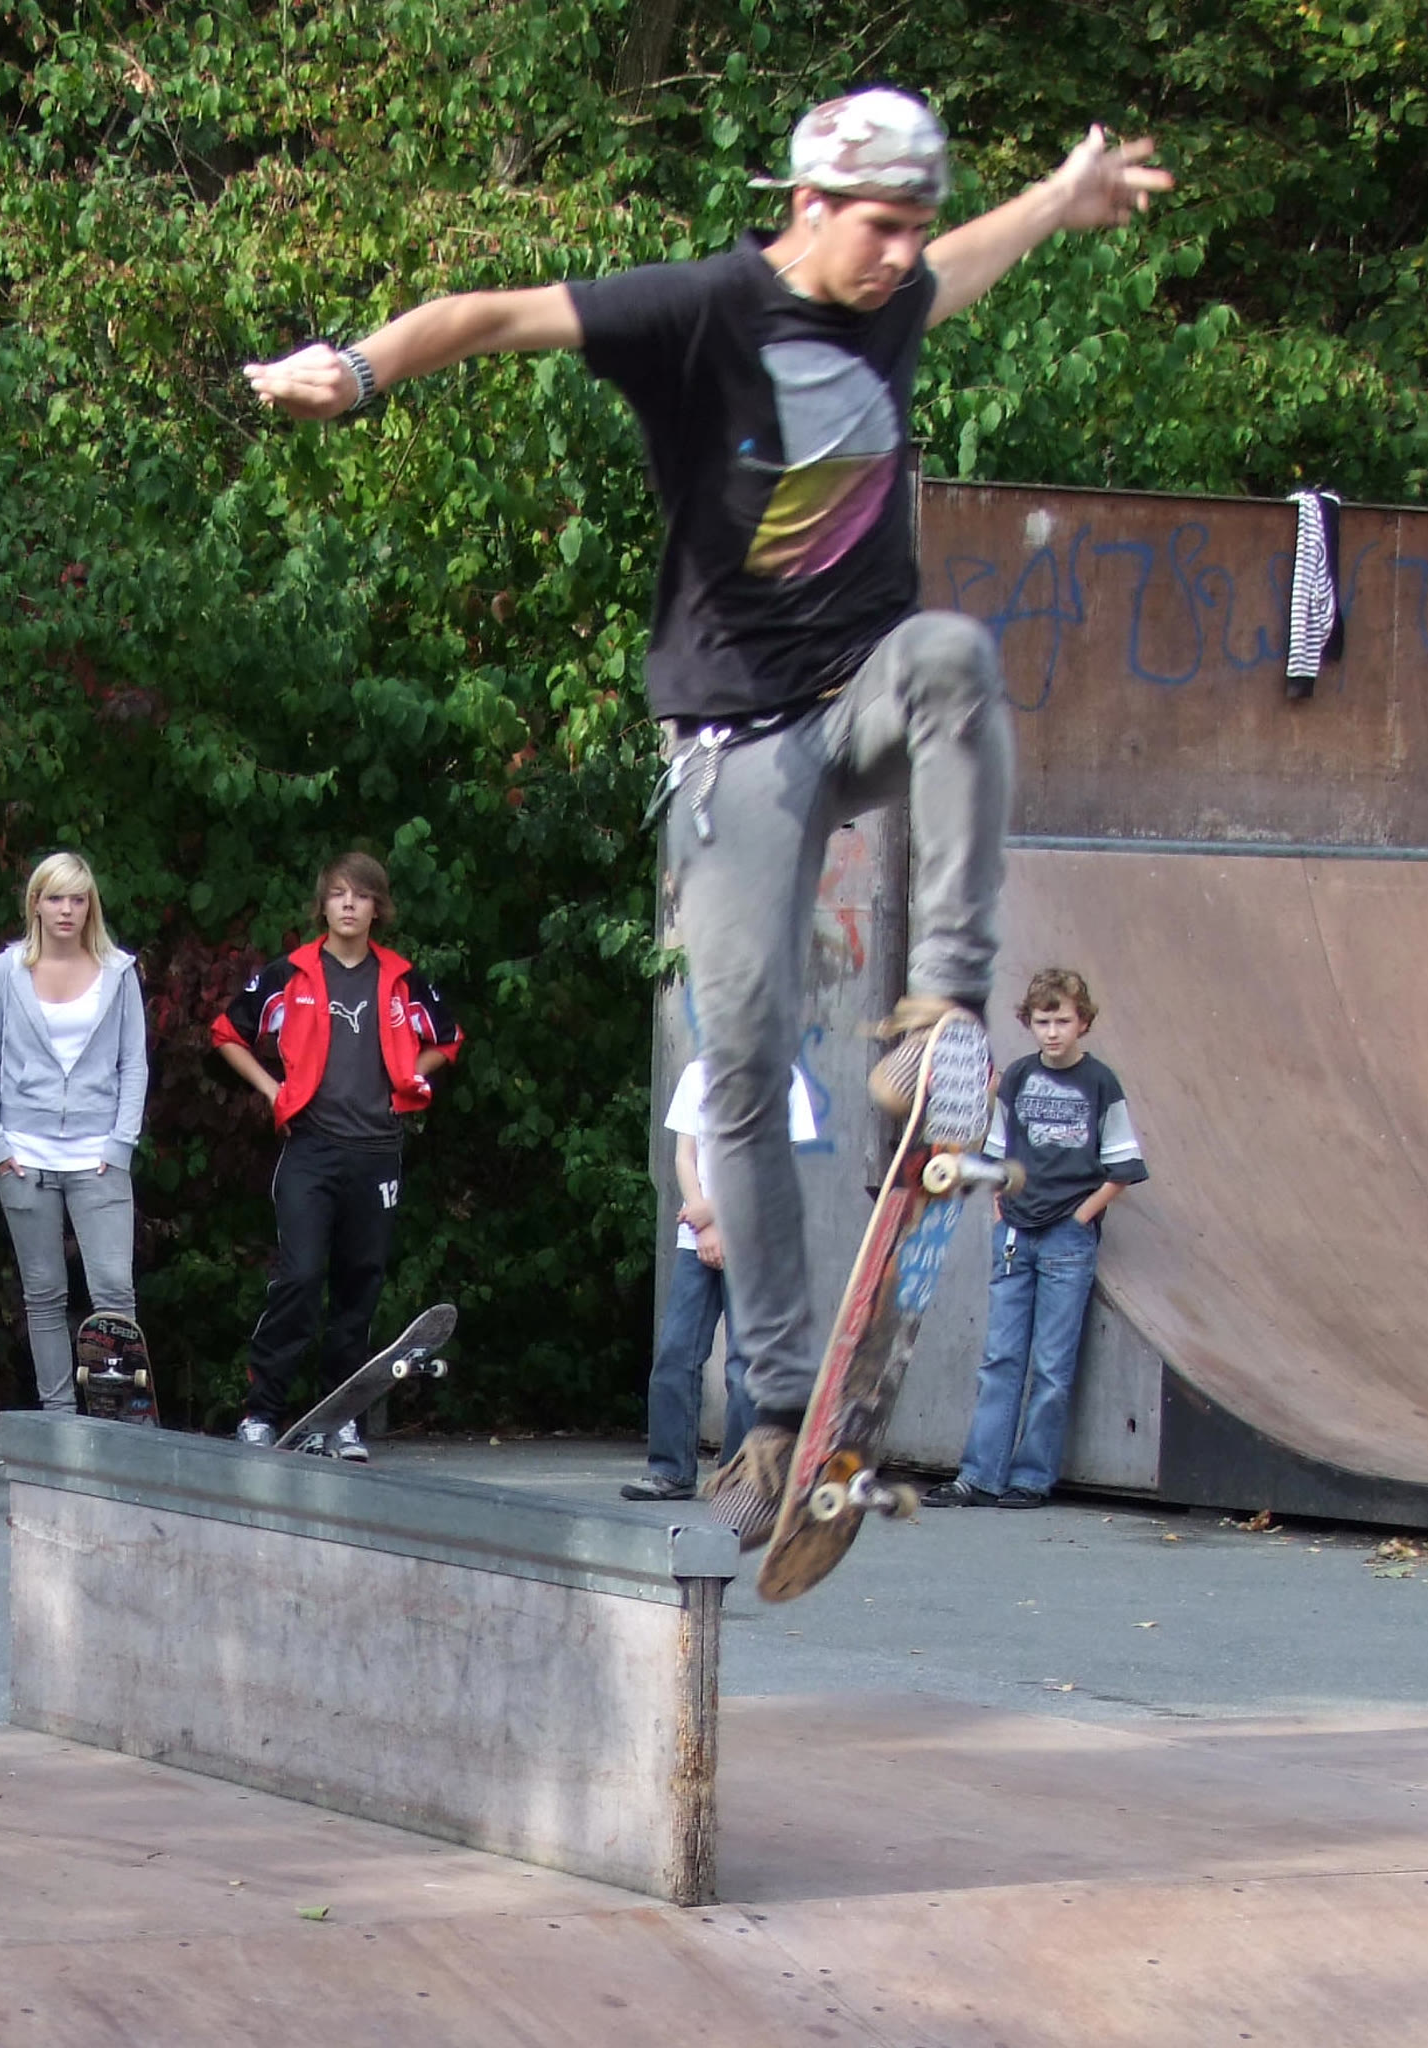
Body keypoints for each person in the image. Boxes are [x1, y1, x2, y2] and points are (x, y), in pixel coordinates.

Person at [244, 88, 1172, 1542]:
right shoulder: (698, 312)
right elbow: (491, 314)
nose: (901, 259)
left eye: (915, 234)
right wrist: (357, 369)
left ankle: (941, 1012)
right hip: (738, 750)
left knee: (950, 655)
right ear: (808, 205)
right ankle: (782, 1423)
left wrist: (1061, 198)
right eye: (881, 229)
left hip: (858, 699)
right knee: (739, 1066)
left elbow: (966, 262)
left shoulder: (894, 297)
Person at [211, 852, 462, 1456]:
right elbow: (227, 1032)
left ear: (378, 908)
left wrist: (410, 1076)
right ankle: (261, 1413)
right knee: (299, 1277)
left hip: (377, 1151)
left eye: (362, 894)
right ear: (322, 904)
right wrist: (272, 1089)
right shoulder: (291, 973)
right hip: (311, 1150)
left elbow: (448, 1038)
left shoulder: (401, 978)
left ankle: (339, 1418)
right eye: (338, 894)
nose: (349, 904)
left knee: (359, 1285)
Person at [924, 968, 1148, 1510]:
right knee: (1000, 1356)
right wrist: (999, 1207)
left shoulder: (1101, 1083)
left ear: (1082, 1023)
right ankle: (980, 1475)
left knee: (1051, 1363)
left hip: (1067, 1237)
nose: (1052, 1032)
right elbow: (998, 1152)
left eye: (1063, 1021)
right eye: (1043, 1022)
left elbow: (1123, 1166)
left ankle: (1031, 1476)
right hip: (1015, 1234)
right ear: (1029, 1023)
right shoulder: (1019, 1077)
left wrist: (1081, 1217)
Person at [0, 852, 149, 1413]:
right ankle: (59, 1418)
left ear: (90, 906)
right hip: (24, 1157)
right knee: (44, 1293)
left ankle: (118, 1416)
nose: (67, 909)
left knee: (114, 1292)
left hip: (98, 1157)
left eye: (77, 898)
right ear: (36, 905)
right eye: (55, 898)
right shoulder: (5, 973)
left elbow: (134, 1063)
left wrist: (120, 1143)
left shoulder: (118, 971)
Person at [621, 1055, 817, 1502]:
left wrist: (714, 1213)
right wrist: (704, 1222)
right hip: (697, 1239)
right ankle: (671, 1471)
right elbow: (685, 1156)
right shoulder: (698, 1073)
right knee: (676, 1352)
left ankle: (739, 1477)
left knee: (745, 1365)